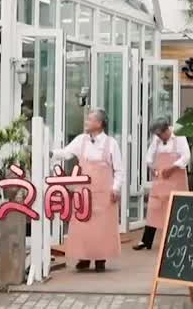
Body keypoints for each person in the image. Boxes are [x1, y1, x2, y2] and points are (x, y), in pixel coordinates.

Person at [50, 108, 123, 272]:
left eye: (89, 120)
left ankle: (100, 258)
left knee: (102, 226)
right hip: (83, 191)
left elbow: (119, 170)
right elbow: (66, 153)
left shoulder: (111, 144)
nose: (86, 122)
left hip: (104, 192)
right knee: (83, 224)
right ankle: (84, 257)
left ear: (99, 123)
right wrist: (51, 153)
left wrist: (116, 188)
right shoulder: (81, 140)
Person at [133, 119, 190, 250]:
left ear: (166, 130)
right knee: (154, 207)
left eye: (160, 134)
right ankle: (146, 241)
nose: (158, 137)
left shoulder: (179, 136)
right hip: (160, 179)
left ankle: (178, 240)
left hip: (175, 178)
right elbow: (149, 156)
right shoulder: (157, 139)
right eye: (157, 135)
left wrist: (172, 168)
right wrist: (151, 166)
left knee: (176, 208)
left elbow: (186, 156)